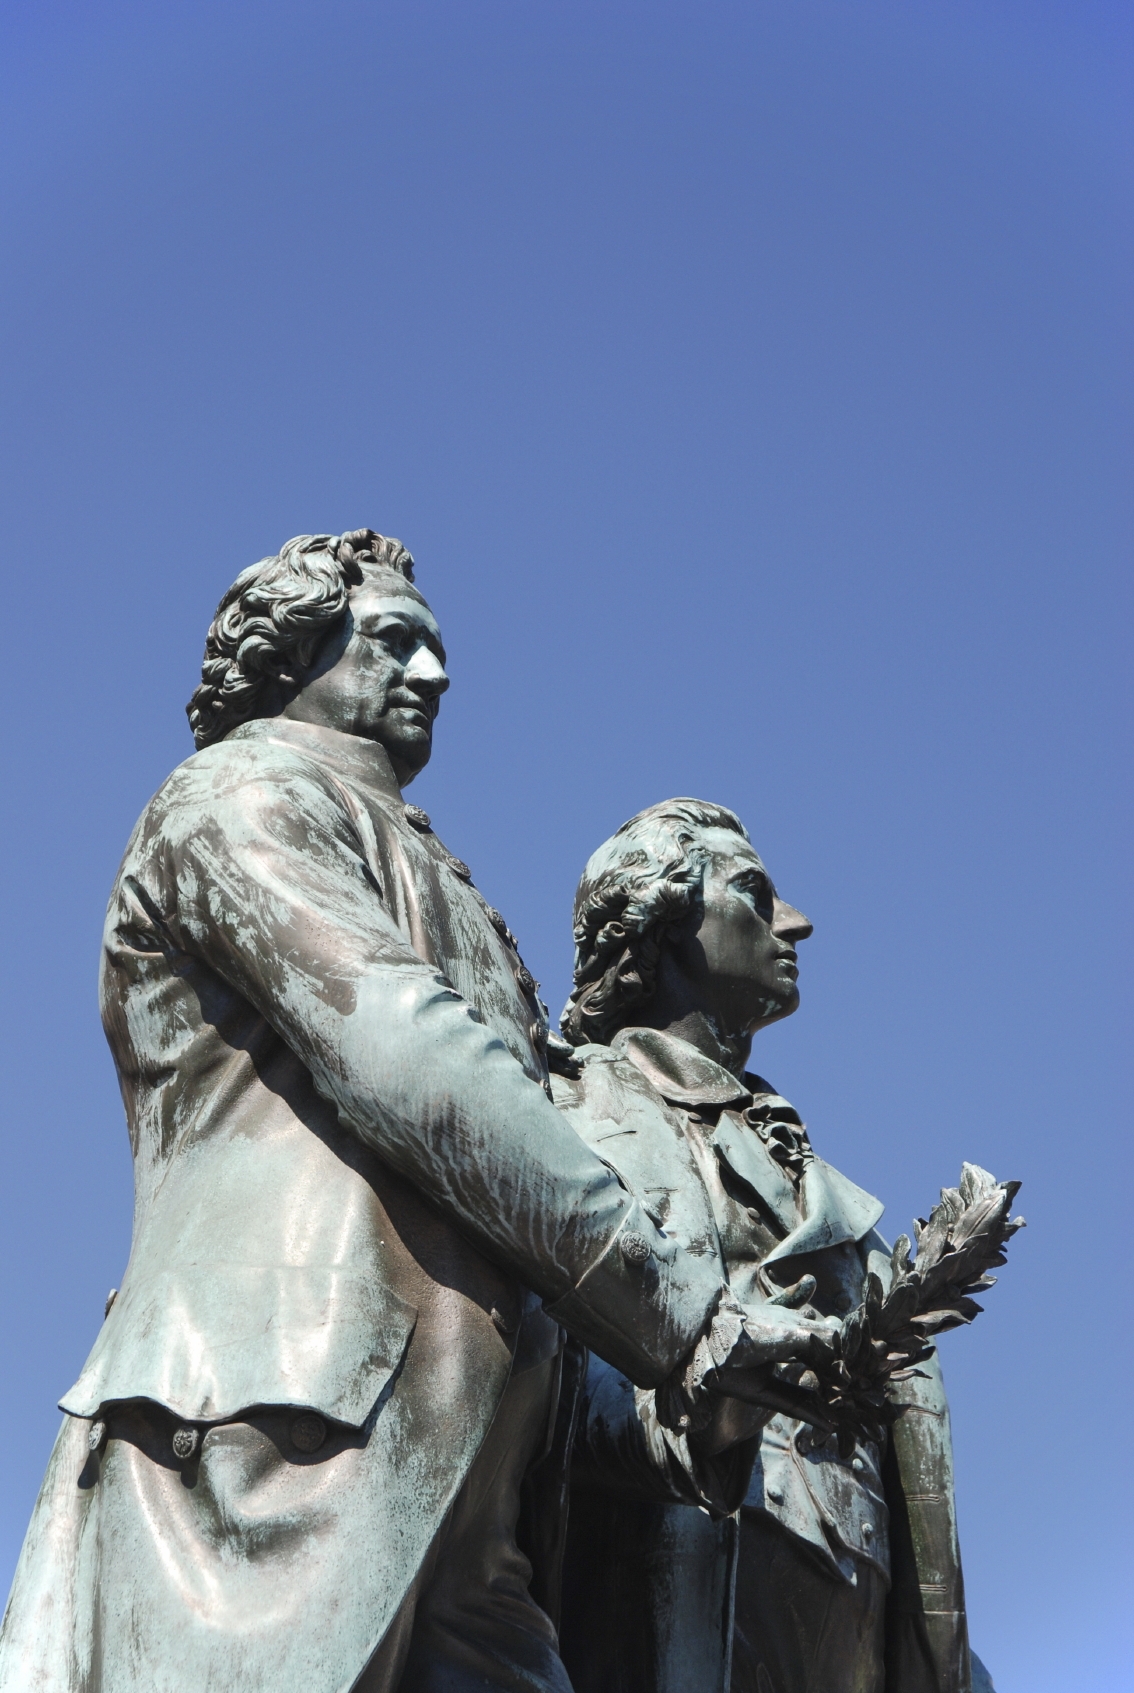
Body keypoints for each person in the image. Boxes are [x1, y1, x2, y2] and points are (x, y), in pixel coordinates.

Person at [0, 537, 832, 1693]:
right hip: (279, 1443)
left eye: (436, 647)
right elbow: (404, 1052)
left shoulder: (433, 870)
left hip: (472, 1505)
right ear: (291, 651)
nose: (434, 671)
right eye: (395, 640)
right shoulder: (238, 793)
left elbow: (503, 1230)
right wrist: (680, 1311)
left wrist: (699, 1401)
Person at [552, 799, 990, 1693]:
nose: (796, 922)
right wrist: (696, 1409)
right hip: (658, 1584)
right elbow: (530, 1365)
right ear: (662, 917)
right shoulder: (567, 1110)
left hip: (851, 1621)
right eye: (754, 893)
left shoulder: (819, 1176)